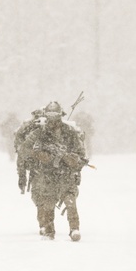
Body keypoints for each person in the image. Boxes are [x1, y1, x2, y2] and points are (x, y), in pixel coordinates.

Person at [23, 101, 87, 241]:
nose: (52, 118)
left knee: (70, 202)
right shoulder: (40, 133)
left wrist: (71, 160)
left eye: (55, 114)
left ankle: (74, 229)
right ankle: (49, 230)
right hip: (47, 173)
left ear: (60, 115)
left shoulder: (69, 132)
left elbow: (81, 153)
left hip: (66, 173)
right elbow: (32, 151)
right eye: (50, 114)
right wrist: (48, 157)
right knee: (48, 203)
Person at [13, 108, 45, 194]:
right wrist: (21, 148)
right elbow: (18, 137)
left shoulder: (49, 126)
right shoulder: (27, 125)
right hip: (28, 148)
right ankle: (22, 181)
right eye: (38, 116)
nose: (39, 118)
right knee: (21, 163)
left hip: (43, 151)